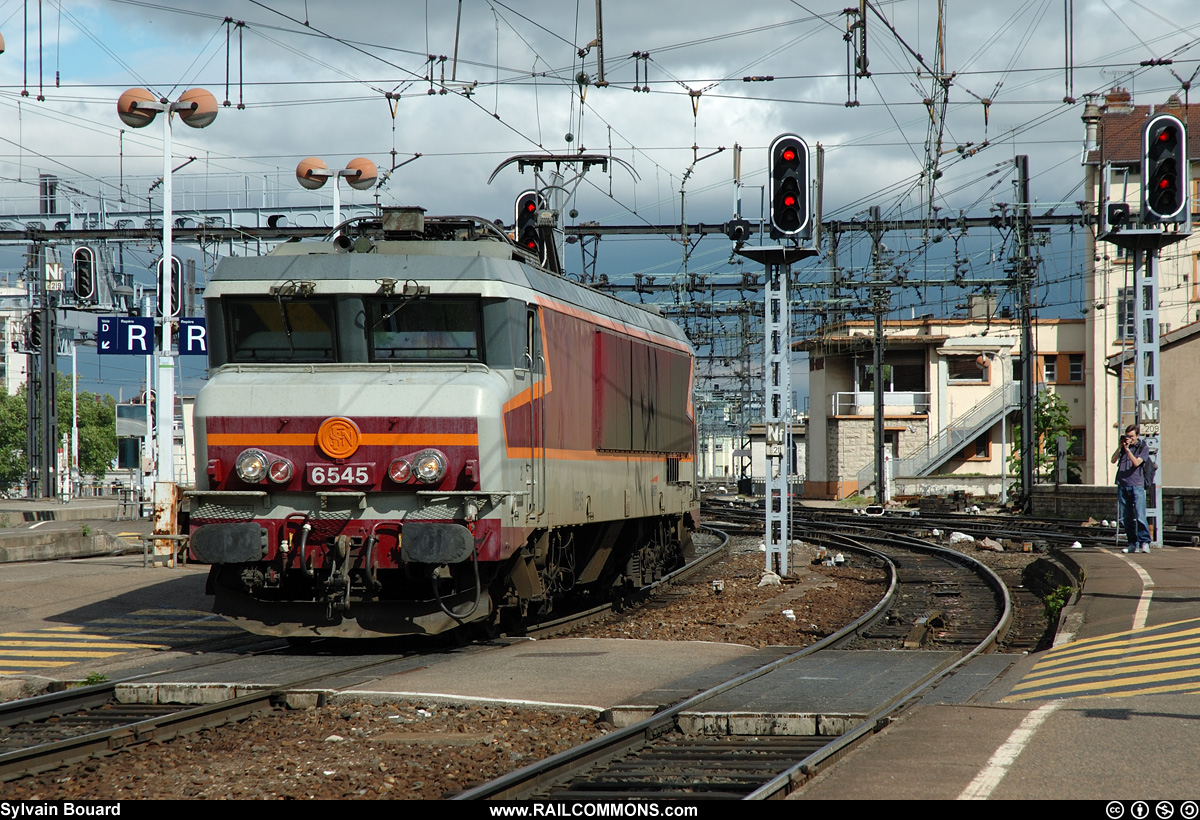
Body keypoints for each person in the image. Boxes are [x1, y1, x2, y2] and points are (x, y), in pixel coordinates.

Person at [1112, 424, 1151, 554]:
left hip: (1137, 485)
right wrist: (1120, 447)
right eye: (1127, 436)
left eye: (1131, 436)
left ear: (1137, 436)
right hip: (1123, 484)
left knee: (1140, 516)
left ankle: (1144, 542)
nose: (1129, 439)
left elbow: (1136, 463)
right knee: (1126, 517)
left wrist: (1128, 450)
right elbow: (1113, 460)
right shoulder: (1123, 447)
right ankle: (1132, 543)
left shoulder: (1142, 447)